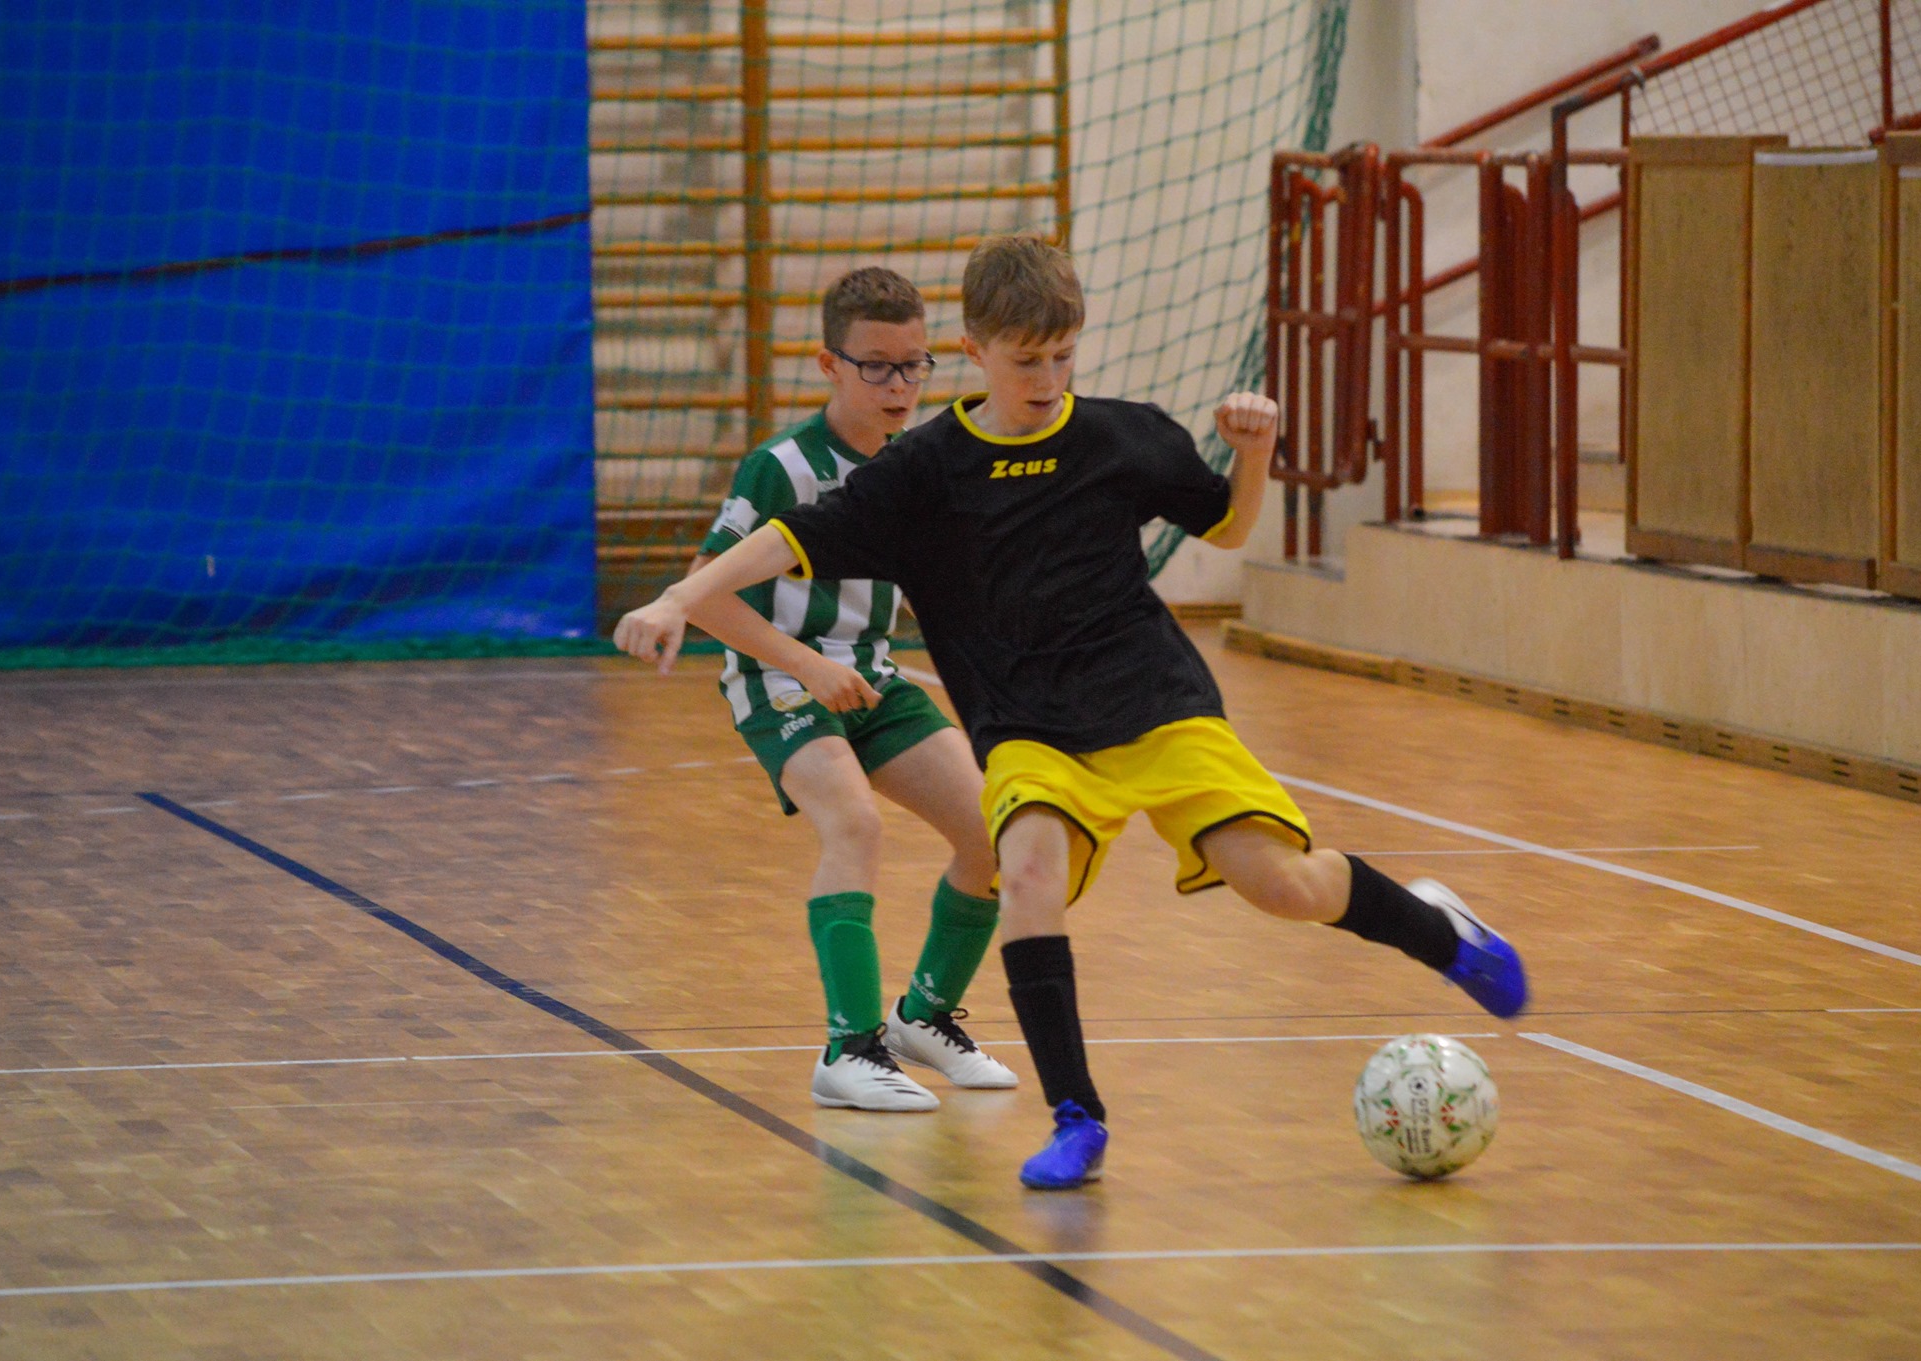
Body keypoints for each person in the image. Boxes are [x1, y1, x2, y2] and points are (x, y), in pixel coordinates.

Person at [616, 235, 1527, 1189]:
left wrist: (1253, 453)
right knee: (1027, 869)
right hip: (1028, 727)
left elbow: (1224, 523)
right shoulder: (925, 470)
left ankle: (1441, 930)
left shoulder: (1123, 436)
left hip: (1155, 703)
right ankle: (1076, 1116)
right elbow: (784, 539)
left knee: (1282, 887)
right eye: (1025, 361)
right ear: (974, 353)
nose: (1048, 378)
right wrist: (681, 599)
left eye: (1063, 355)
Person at [686, 266, 1016, 1112]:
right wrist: (806, 663)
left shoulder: (927, 461)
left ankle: (925, 1016)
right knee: (855, 823)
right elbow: (705, 595)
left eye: (914, 364)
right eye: (876, 365)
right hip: (779, 676)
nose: (899, 385)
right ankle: (848, 1047)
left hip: (871, 676)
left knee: (994, 829)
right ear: (828, 364)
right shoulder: (781, 468)